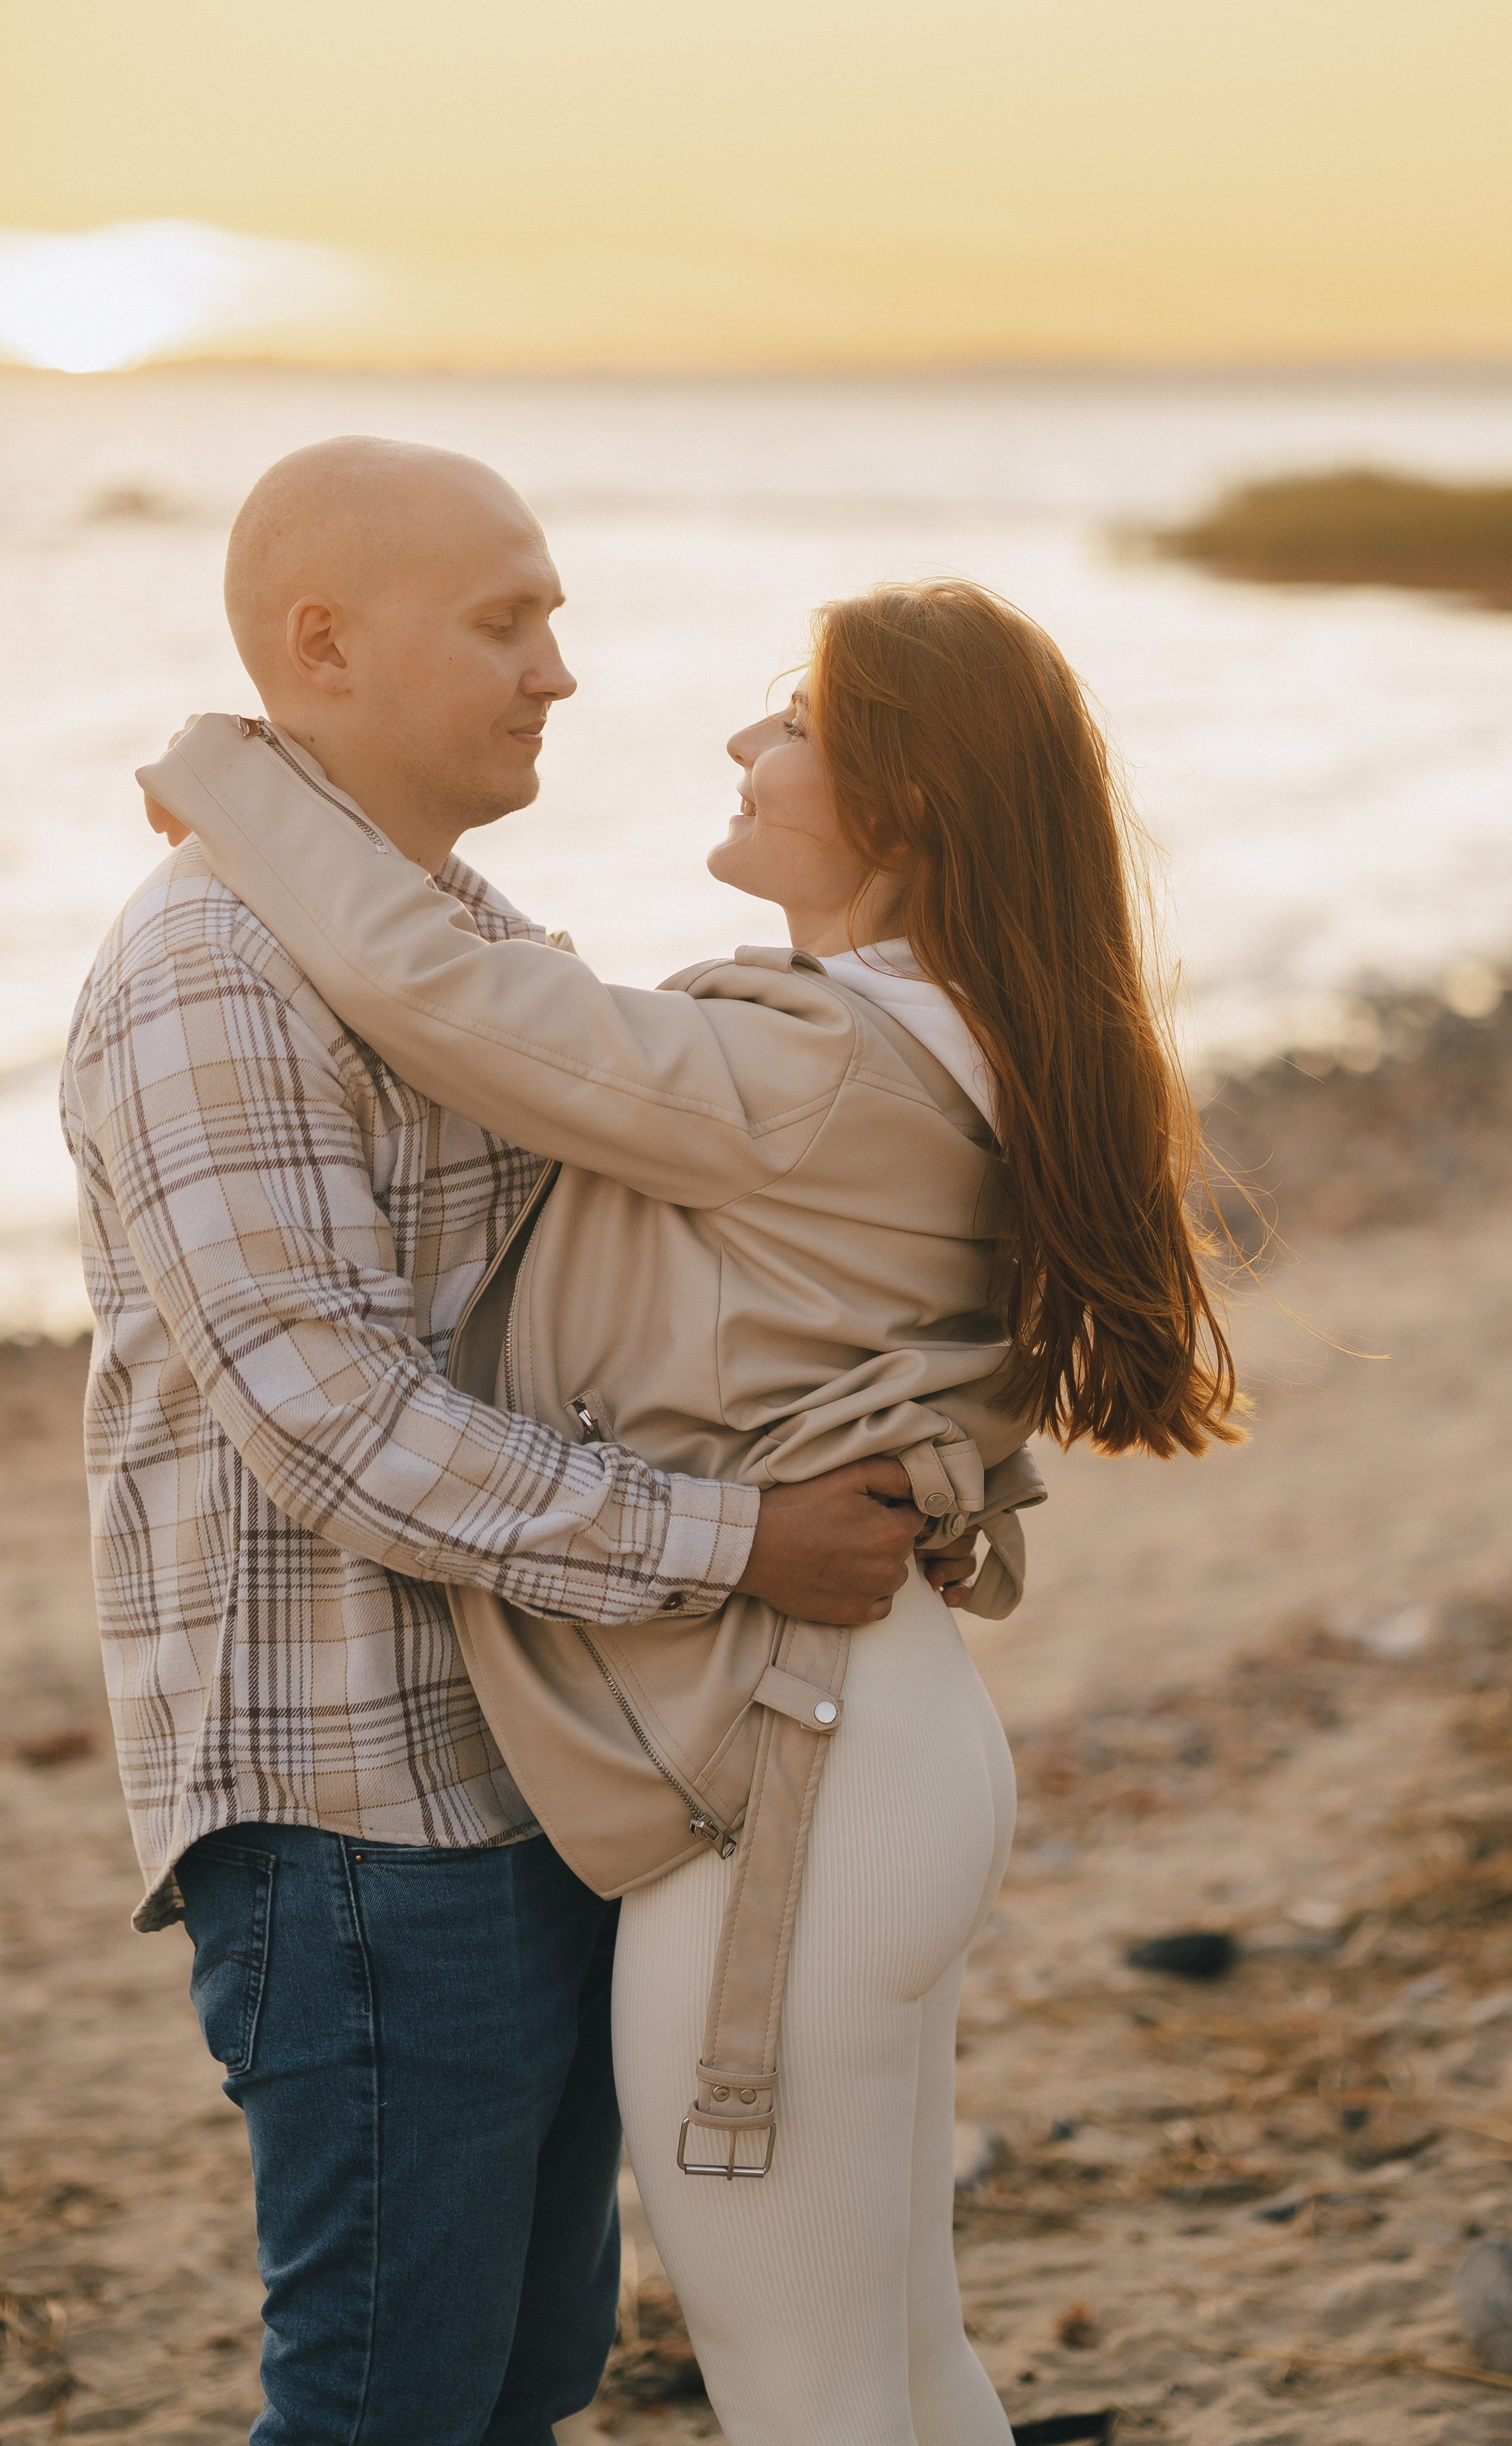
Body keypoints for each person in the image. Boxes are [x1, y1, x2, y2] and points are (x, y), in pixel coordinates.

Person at [142, 459, 1238, 2445]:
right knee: (894, 2364)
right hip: (848, 1738)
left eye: (796, 717)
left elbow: (449, 997)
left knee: (811, 2391)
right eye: (509, 624)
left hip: (798, 1762)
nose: (734, 731)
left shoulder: (820, 1065)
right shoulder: (917, 1041)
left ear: (900, 804)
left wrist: (227, 780)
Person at [61, 438, 944, 2446]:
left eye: (553, 615)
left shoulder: (462, 939)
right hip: (353, 1812)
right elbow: (336, 1424)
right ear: (325, 645)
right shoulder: (214, 969)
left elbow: (638, 1281)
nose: (562, 668)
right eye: (507, 619)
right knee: (387, 2403)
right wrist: (739, 1541)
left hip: (535, 1774)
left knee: (521, 2386)